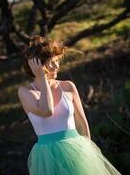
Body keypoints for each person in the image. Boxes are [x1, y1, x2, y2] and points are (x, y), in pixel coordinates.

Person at [18, 35, 121, 175]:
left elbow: (82, 123)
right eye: (51, 62)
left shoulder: (68, 86)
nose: (56, 66)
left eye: (57, 61)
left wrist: (88, 155)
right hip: (47, 157)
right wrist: (42, 78)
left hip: (77, 150)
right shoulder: (25, 92)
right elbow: (47, 110)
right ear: (37, 65)